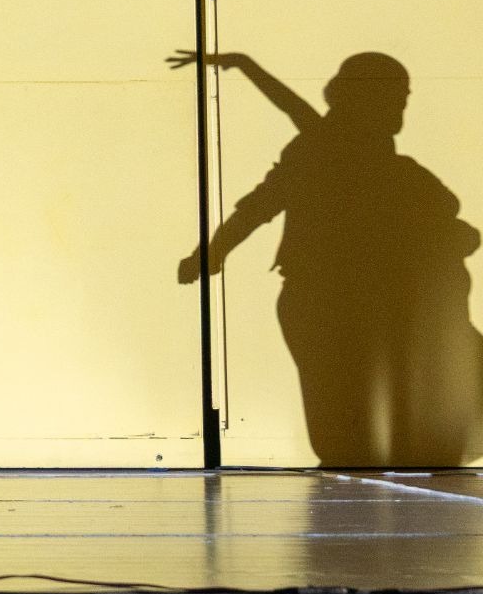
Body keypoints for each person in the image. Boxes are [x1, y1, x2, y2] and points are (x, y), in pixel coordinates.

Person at [171, 49, 483, 465]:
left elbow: (290, 122)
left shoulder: (383, 165)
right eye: (394, 97)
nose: (400, 108)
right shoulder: (321, 150)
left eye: (403, 98)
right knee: (346, 436)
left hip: (364, 305)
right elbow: (259, 204)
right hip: (329, 303)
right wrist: (210, 253)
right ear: (362, 99)